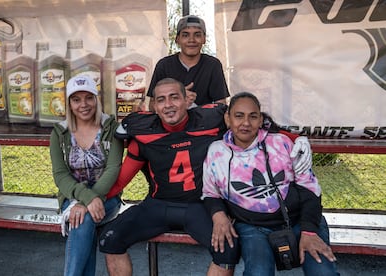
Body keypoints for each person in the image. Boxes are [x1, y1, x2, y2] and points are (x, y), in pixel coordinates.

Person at [99, 78, 312, 275]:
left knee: (227, 249)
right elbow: (120, 180)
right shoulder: (143, 133)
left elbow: (254, 122)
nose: (168, 105)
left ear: (187, 100)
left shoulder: (212, 120)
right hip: (158, 204)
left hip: (199, 206)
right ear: (154, 106)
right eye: (161, 100)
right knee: (111, 238)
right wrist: (90, 200)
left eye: (174, 97)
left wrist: (296, 138)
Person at [202, 92, 339, 276]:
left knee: (323, 272)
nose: (246, 123)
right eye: (238, 116)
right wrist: (218, 216)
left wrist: (309, 232)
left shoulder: (281, 143)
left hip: (299, 220)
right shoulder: (216, 152)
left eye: (253, 116)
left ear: (260, 120)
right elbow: (211, 194)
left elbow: (310, 188)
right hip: (252, 226)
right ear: (228, 118)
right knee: (258, 272)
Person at [49, 75, 124, 276]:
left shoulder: (111, 128)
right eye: (76, 99)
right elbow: (60, 174)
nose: (83, 104)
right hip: (72, 199)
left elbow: (113, 168)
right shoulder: (59, 132)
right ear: (69, 103)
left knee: (83, 218)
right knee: (84, 219)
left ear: (96, 99)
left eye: (88, 97)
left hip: (107, 197)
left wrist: (92, 199)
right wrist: (87, 198)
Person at [147, 15, 229, 110]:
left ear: (204, 39)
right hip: (170, 122)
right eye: (185, 35)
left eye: (197, 35)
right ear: (177, 39)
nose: (191, 40)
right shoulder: (164, 65)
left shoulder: (212, 65)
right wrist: (177, 97)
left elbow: (221, 105)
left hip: (203, 121)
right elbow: (152, 106)